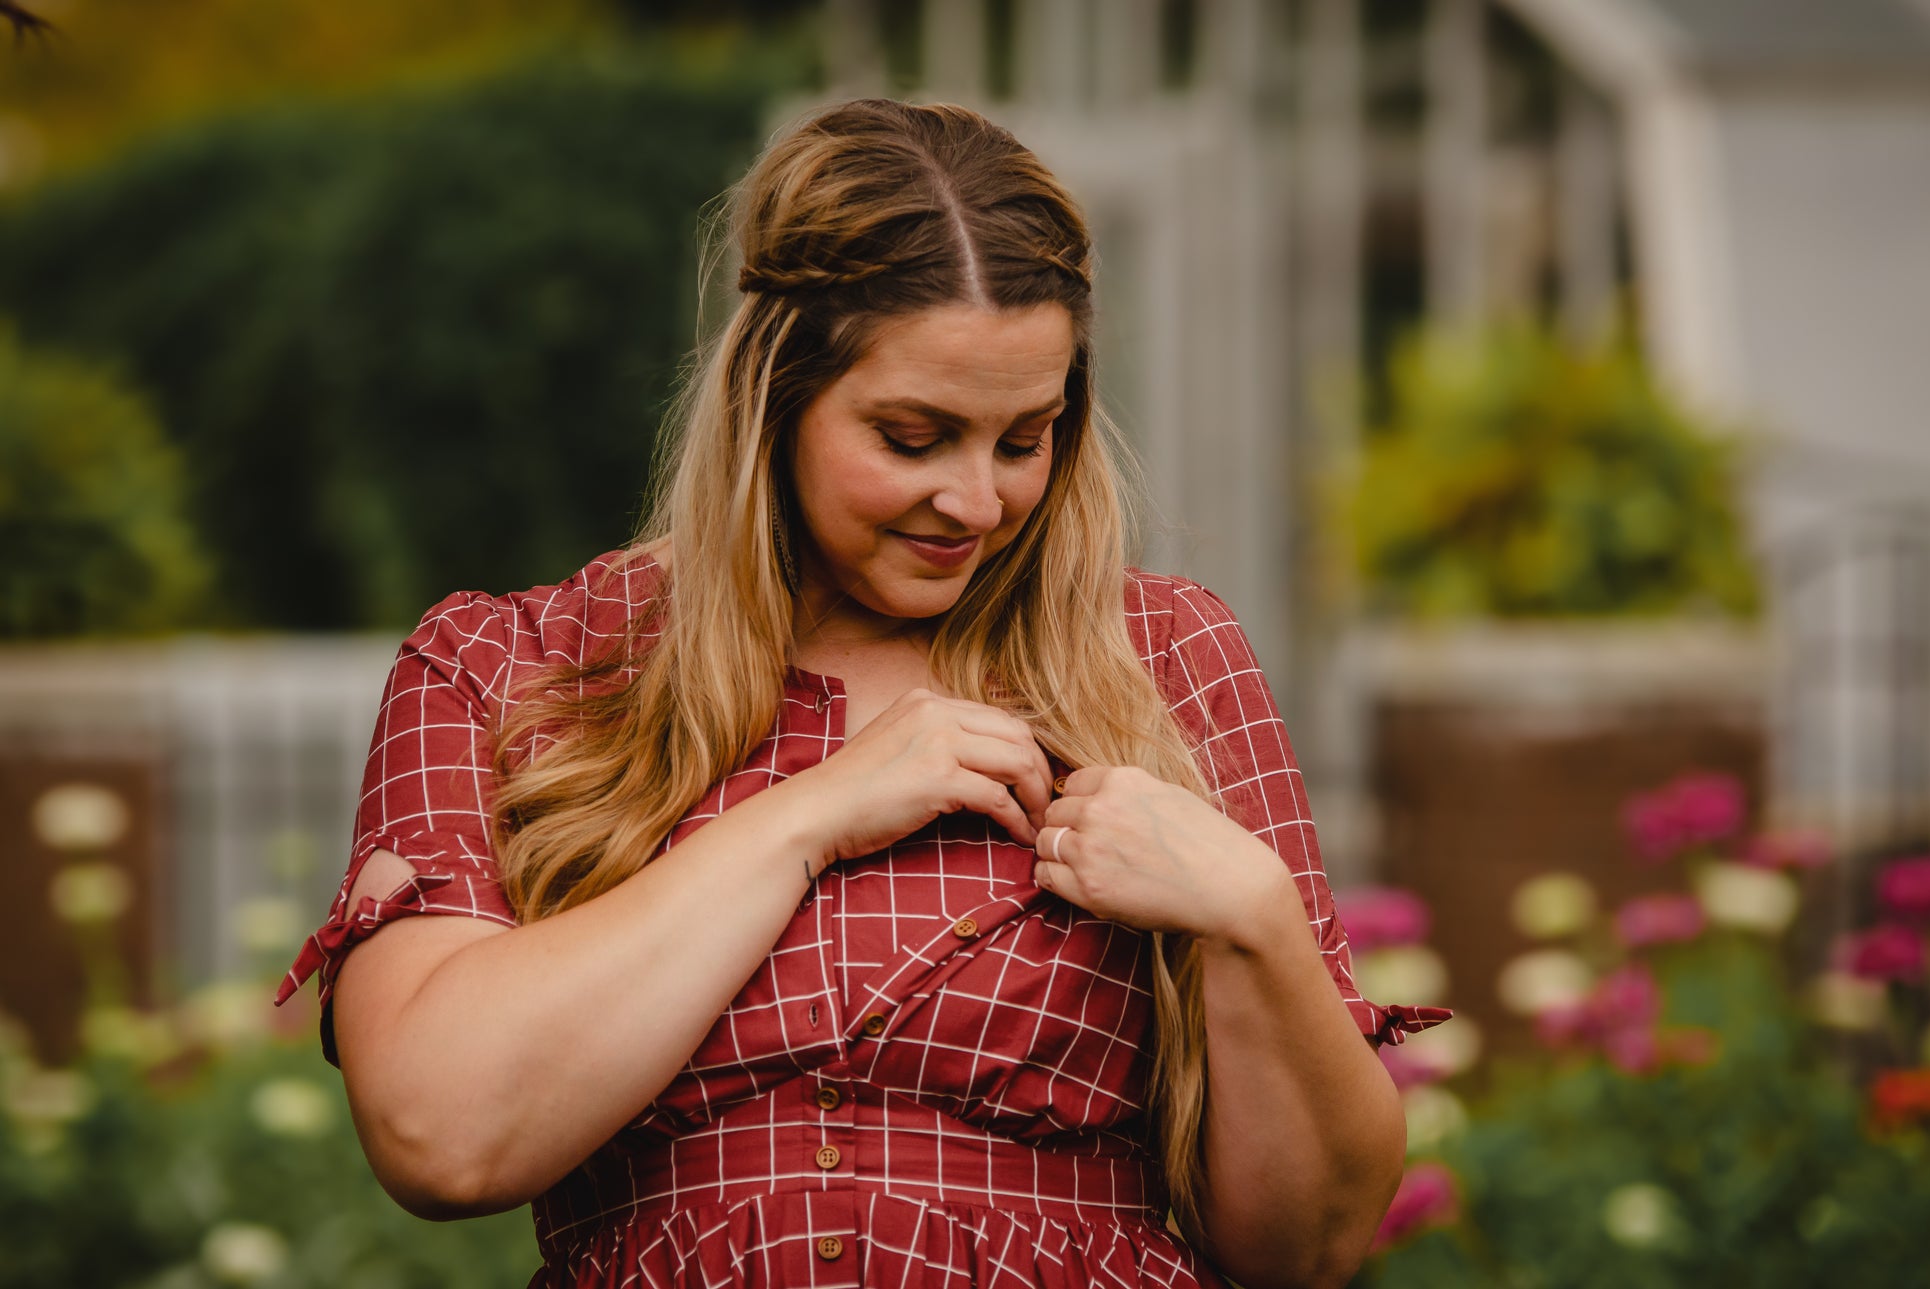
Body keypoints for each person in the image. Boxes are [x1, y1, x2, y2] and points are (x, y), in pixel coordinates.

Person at [278, 97, 1447, 1289]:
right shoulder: (511, 664)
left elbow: (1308, 1246)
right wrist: (812, 811)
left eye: (1022, 438)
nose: (976, 502)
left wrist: (1252, 917)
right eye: (911, 436)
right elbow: (442, 1135)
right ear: (773, 396)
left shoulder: (1162, 654)